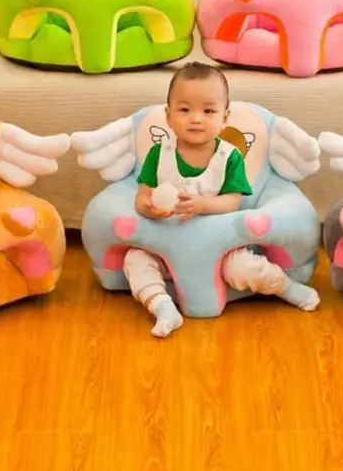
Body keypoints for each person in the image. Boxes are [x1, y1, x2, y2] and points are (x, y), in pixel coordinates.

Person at [124, 61, 320, 337]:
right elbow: (142, 197)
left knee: (244, 268)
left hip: (218, 249)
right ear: (168, 115)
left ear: (225, 117)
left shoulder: (229, 157)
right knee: (135, 259)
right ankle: (162, 307)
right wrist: (149, 207)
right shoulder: (159, 154)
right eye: (184, 109)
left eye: (208, 111)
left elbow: (233, 201)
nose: (196, 118)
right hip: (166, 245)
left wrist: (202, 205)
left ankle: (284, 287)